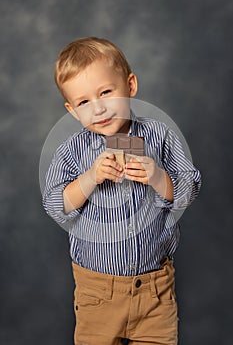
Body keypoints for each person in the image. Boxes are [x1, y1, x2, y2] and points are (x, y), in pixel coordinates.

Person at [43, 37, 201, 345]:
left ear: (130, 85)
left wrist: (157, 177)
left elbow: (189, 187)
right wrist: (90, 178)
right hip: (97, 291)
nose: (99, 108)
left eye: (106, 92)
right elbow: (54, 204)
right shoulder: (71, 152)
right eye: (84, 102)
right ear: (73, 111)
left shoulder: (160, 135)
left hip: (155, 290)